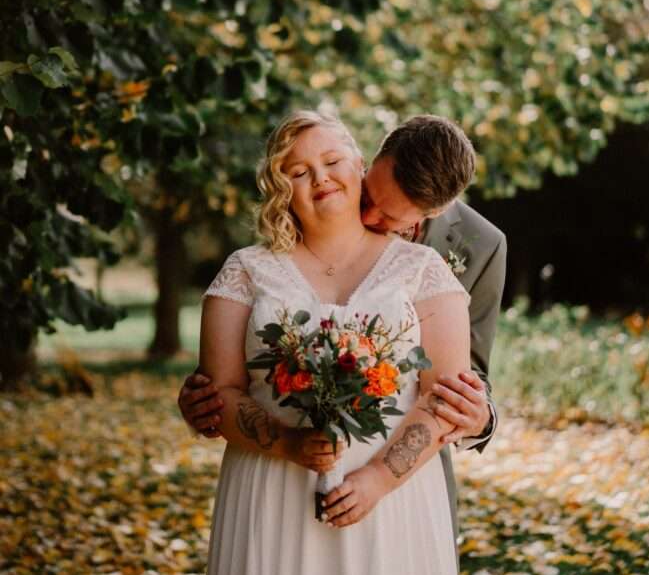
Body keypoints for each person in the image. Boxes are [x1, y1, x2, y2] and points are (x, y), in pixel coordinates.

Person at [195, 110, 472, 575]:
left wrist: (378, 480)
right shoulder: (246, 272)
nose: (318, 177)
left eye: (330, 161)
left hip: (393, 499)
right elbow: (219, 392)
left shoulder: (424, 271)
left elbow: (443, 398)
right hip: (272, 487)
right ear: (280, 189)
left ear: (360, 165)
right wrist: (288, 444)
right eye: (296, 171)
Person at [180, 114, 507, 543]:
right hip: (277, 481)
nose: (366, 214)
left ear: (434, 213)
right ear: (368, 161)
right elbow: (231, 374)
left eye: (388, 214)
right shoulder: (258, 261)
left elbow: (467, 378)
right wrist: (214, 403)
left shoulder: (478, 247)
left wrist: (480, 417)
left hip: (402, 478)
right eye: (369, 193)